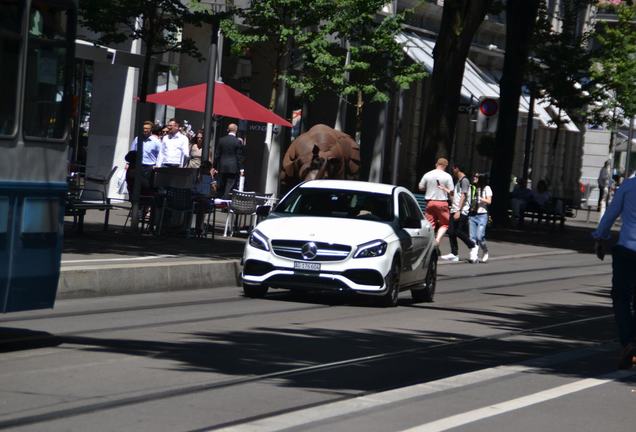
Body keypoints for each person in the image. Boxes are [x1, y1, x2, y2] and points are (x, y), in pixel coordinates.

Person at [592, 176, 636, 369]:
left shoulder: (628, 186)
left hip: (626, 250)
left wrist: (600, 237)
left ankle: (628, 343)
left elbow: (611, 213)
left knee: (621, 298)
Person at [439, 164, 478, 263]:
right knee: (451, 231)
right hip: (455, 209)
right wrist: (444, 189)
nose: (452, 169)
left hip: (461, 211)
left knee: (458, 231)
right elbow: (455, 194)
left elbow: (463, 196)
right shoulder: (459, 181)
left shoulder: (464, 181)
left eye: (453, 168)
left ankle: (473, 246)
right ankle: (454, 254)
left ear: (458, 169)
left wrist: (458, 211)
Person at [418, 157, 454, 245]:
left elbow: (421, 187)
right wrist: (453, 204)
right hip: (442, 203)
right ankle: (437, 240)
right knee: (445, 224)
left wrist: (429, 188)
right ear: (445, 166)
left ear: (436, 164)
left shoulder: (427, 174)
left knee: (430, 224)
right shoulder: (447, 176)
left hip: (430, 203)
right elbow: (452, 192)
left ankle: (429, 242)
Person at [213, 123, 245, 199]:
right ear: (236, 131)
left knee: (221, 185)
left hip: (222, 166)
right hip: (233, 167)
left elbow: (217, 154)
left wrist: (214, 166)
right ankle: (225, 202)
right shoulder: (237, 142)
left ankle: (219, 200)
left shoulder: (221, 140)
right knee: (229, 186)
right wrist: (241, 169)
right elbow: (239, 157)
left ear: (228, 130)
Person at [468, 173, 493, 263]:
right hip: (472, 214)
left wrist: (481, 199)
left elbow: (489, 201)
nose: (474, 178)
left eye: (476, 177)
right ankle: (473, 255)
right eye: (473, 176)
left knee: (479, 236)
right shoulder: (472, 187)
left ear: (481, 178)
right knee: (472, 237)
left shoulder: (487, 188)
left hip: (482, 215)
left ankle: (485, 250)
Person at [129, 120, 161, 187]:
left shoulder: (156, 141)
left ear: (151, 129)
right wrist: (128, 164)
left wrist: (157, 165)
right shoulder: (137, 139)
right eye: (144, 128)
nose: (145, 130)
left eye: (147, 128)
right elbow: (132, 152)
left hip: (149, 167)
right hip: (137, 166)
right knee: (134, 186)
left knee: (146, 187)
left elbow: (161, 154)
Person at [192, 161, 214, 236]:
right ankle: (198, 228)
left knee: (202, 204)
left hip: (202, 199)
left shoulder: (209, 178)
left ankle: (198, 228)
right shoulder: (197, 177)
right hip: (197, 198)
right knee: (201, 204)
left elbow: (211, 192)